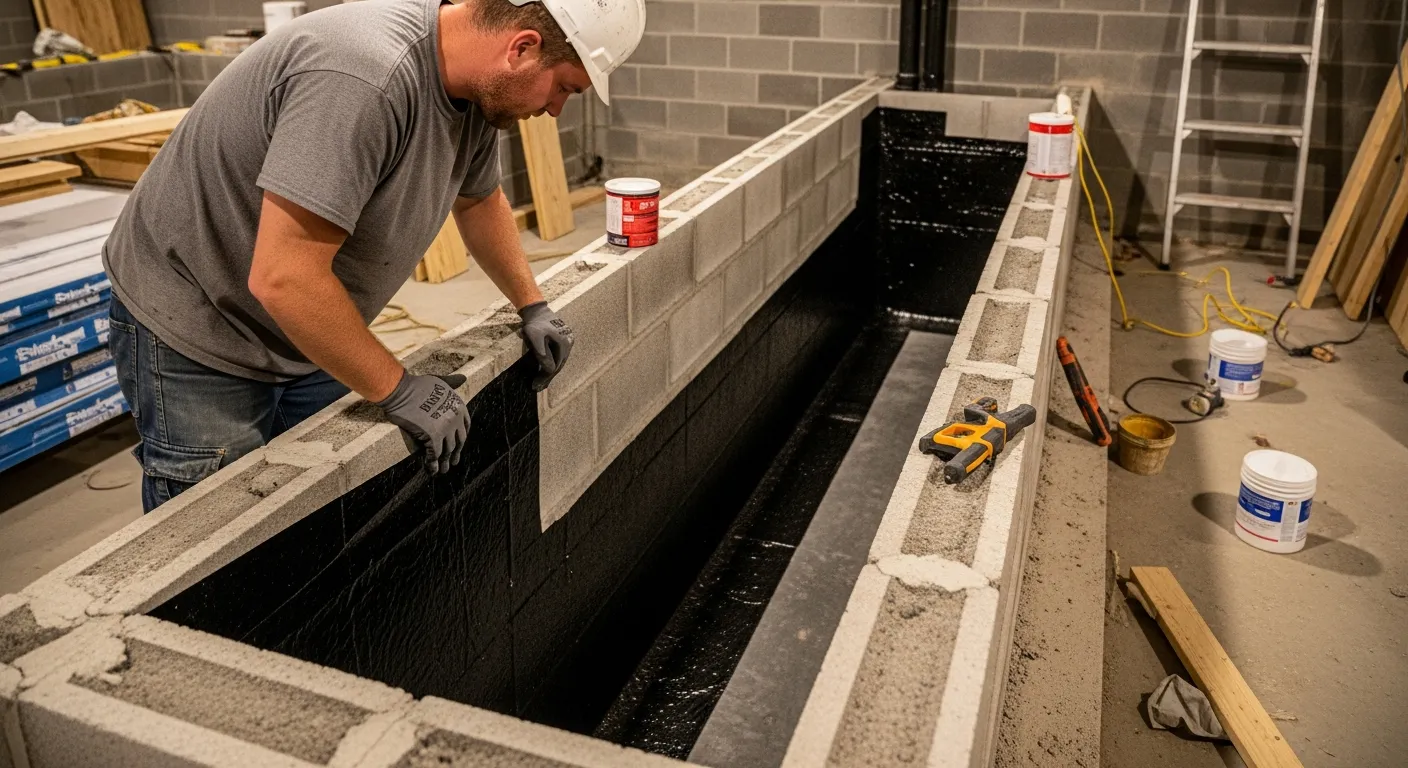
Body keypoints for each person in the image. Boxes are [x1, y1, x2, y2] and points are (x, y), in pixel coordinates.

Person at [102, 0, 645, 512]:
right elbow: (285, 277)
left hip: (300, 323)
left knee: (311, 503)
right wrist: (398, 386)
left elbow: (480, 201)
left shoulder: (477, 93)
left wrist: (532, 305)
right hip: (199, 318)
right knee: (218, 529)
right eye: (564, 89)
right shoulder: (363, 77)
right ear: (522, 48)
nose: (555, 110)